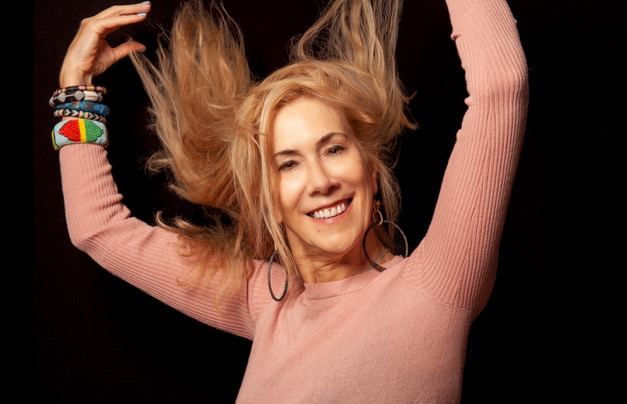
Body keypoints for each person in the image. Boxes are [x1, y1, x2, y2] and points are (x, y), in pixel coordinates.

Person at [51, 0, 528, 401]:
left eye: (334, 149)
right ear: (268, 199)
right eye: (288, 164)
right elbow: (98, 229)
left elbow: (501, 87)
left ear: (371, 168)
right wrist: (77, 92)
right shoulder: (264, 303)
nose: (320, 181)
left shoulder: (437, 285)